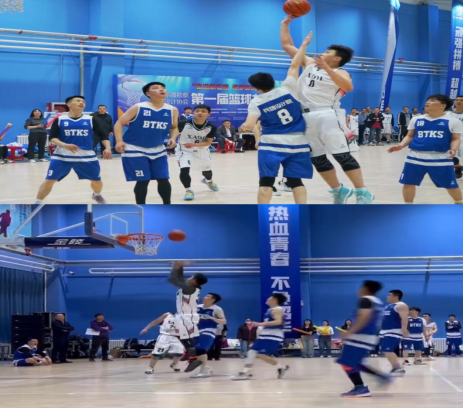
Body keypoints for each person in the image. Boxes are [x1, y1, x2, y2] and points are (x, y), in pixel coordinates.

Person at [280, 20, 374, 205]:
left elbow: (348, 86)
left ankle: (362, 192)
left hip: (327, 115)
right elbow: (287, 45)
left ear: (337, 59)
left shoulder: (341, 72)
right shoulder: (308, 63)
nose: (322, 53)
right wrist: (285, 23)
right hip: (305, 116)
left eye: (327, 52)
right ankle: (339, 190)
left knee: (341, 155)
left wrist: (327, 68)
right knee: (317, 158)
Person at [240, 34, 313, 205]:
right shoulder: (288, 88)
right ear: (273, 81)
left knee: (266, 182)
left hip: (272, 144)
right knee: (296, 182)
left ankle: (263, 213)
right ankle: (301, 211)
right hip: (298, 142)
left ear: (256, 88)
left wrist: (243, 127)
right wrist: (303, 45)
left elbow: (249, 126)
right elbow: (295, 64)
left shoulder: (256, 102)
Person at [34, 96, 112, 205]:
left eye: (83, 101)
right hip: (62, 156)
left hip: (86, 156)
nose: (81, 103)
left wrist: (108, 148)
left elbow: (103, 135)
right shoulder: (60, 119)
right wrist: (65, 145)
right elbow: (52, 138)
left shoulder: (91, 119)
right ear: (69, 104)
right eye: (78, 101)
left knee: (97, 181)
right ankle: (38, 202)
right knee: (49, 180)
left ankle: (97, 195)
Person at [388, 94, 463, 204]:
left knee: (450, 185)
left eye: (432, 100)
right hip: (415, 157)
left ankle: (459, 202)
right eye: (428, 100)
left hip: (441, 158)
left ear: (443, 105)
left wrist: (453, 149)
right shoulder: (416, 119)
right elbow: (410, 135)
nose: (428, 102)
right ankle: (408, 206)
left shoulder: (453, 121)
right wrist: (401, 145)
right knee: (408, 183)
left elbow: (455, 138)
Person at [114, 82, 178, 205]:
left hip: (158, 149)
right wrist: (119, 141)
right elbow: (119, 123)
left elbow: (174, 127)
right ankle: (142, 206)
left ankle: (167, 205)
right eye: (156, 88)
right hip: (135, 148)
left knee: (163, 179)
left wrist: (173, 138)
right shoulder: (138, 107)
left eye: (163, 88)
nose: (161, 90)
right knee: (143, 180)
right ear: (148, 94)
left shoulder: (172, 110)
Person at [337, 280, 390, 399]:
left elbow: (364, 317)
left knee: (347, 362)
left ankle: (360, 388)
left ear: (365, 289)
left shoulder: (366, 300)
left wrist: (350, 332)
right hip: (369, 336)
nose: (359, 290)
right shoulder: (378, 302)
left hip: (361, 336)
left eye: (361, 288)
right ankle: (381, 377)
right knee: (353, 362)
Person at [232, 293, 290, 381]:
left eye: (270, 298)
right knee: (251, 351)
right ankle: (245, 371)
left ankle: (280, 367)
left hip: (273, 336)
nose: (267, 299)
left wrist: (260, 324)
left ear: (275, 300)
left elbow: (278, 321)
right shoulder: (270, 310)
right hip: (265, 335)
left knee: (261, 354)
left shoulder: (277, 309)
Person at [168, 261, 208, 369]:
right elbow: (180, 278)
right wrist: (180, 267)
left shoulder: (190, 288)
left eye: (191, 277)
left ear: (194, 281)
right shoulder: (190, 287)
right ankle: (190, 353)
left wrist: (176, 267)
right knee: (179, 336)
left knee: (186, 339)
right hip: (184, 316)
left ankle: (193, 358)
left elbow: (174, 280)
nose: (189, 278)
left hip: (187, 317)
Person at [176, 105, 219, 201]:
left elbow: (208, 142)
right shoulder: (183, 124)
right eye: (197, 111)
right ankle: (188, 190)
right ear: (193, 113)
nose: (200, 113)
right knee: (184, 170)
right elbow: (173, 130)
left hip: (202, 150)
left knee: (207, 171)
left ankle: (208, 181)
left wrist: (193, 144)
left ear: (208, 114)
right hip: (184, 150)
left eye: (203, 111)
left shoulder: (211, 127)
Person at [187, 293, 227, 377]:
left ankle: (204, 369)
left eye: (208, 296)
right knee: (196, 351)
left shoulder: (217, 309)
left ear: (213, 300)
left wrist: (211, 318)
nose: (204, 297)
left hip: (208, 330)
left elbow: (224, 321)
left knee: (201, 349)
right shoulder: (197, 307)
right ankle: (206, 367)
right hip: (196, 331)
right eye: (205, 296)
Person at [380, 290, 409, 376]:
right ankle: (395, 367)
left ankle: (398, 368)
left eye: (389, 295)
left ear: (396, 296)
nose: (387, 297)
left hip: (394, 331)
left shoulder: (401, 306)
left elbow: (404, 319)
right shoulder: (388, 306)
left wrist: (404, 329)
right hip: (384, 331)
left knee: (387, 349)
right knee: (385, 350)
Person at [449, 95, 463, 179]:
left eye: (461, 100)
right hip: (453, 137)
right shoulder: (448, 114)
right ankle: (457, 168)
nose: (459, 101)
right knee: (452, 155)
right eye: (457, 100)